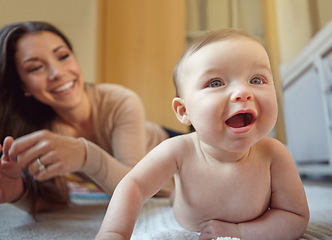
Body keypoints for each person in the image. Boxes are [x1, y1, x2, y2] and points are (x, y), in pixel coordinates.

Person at [95, 28, 310, 240]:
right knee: (175, 196)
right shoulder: (178, 150)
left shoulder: (275, 154)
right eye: (216, 83)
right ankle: (174, 196)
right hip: (184, 206)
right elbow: (134, 184)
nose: (243, 92)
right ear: (184, 111)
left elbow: (295, 216)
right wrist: (114, 233)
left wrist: (240, 233)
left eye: (256, 79)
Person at [0, 21, 174, 216]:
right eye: (36, 68)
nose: (57, 73)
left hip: (172, 142)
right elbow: (53, 200)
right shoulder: (41, 129)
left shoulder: (119, 100)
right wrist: (18, 194)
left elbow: (136, 190)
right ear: (23, 86)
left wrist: (87, 156)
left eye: (63, 56)